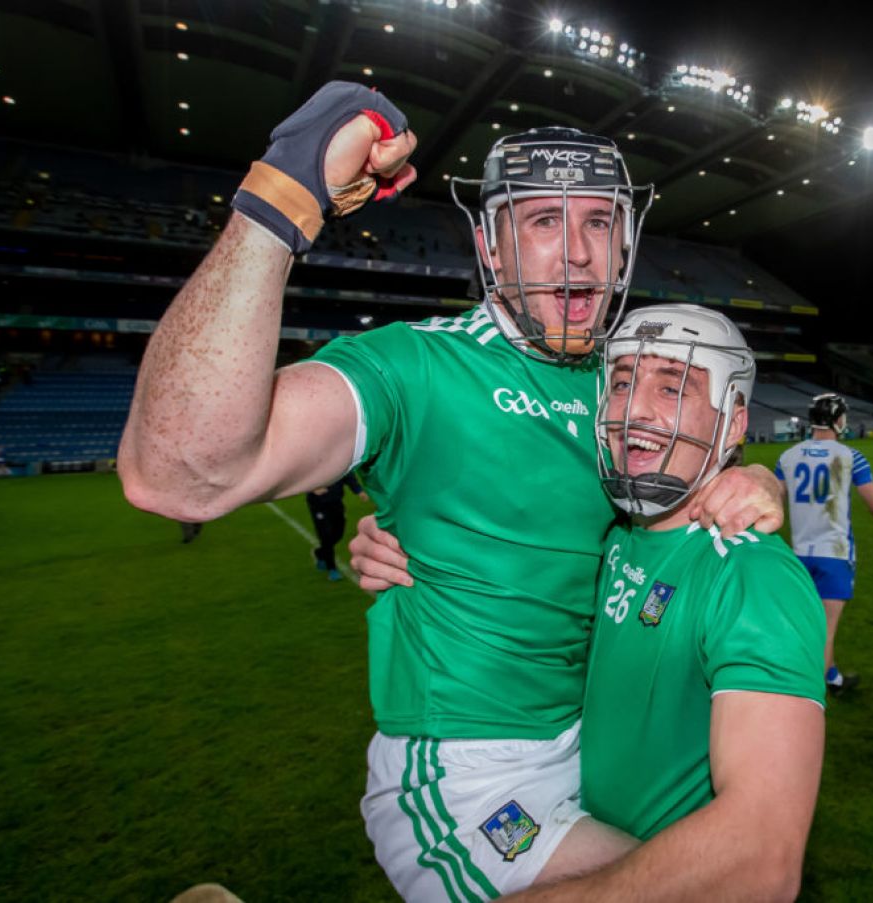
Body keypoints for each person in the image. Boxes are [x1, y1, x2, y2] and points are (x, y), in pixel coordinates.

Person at [118, 82, 782, 900]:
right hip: (476, 780)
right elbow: (177, 470)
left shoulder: (626, 386)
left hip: (599, 753)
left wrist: (753, 474)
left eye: (599, 222)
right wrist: (278, 202)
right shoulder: (417, 367)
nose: (576, 252)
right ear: (491, 247)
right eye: (544, 221)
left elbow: (675, 499)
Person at [496, 305, 827, 901]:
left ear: (732, 423)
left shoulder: (751, 573)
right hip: (586, 839)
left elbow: (762, 859)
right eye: (621, 383)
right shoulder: (606, 534)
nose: (633, 410)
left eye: (672, 388)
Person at [778, 395, 873, 694]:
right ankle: (807, 701)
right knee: (824, 633)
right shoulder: (850, 456)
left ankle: (832, 678)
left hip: (798, 554)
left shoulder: (788, 456)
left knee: (806, 625)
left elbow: (772, 499)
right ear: (838, 419)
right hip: (833, 554)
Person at [307, 472, 366, 581]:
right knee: (325, 535)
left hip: (336, 501)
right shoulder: (310, 458)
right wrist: (311, 488)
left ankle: (320, 553)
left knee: (338, 532)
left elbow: (347, 473)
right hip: (318, 504)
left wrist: (358, 490)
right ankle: (332, 569)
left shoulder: (338, 457)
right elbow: (300, 476)